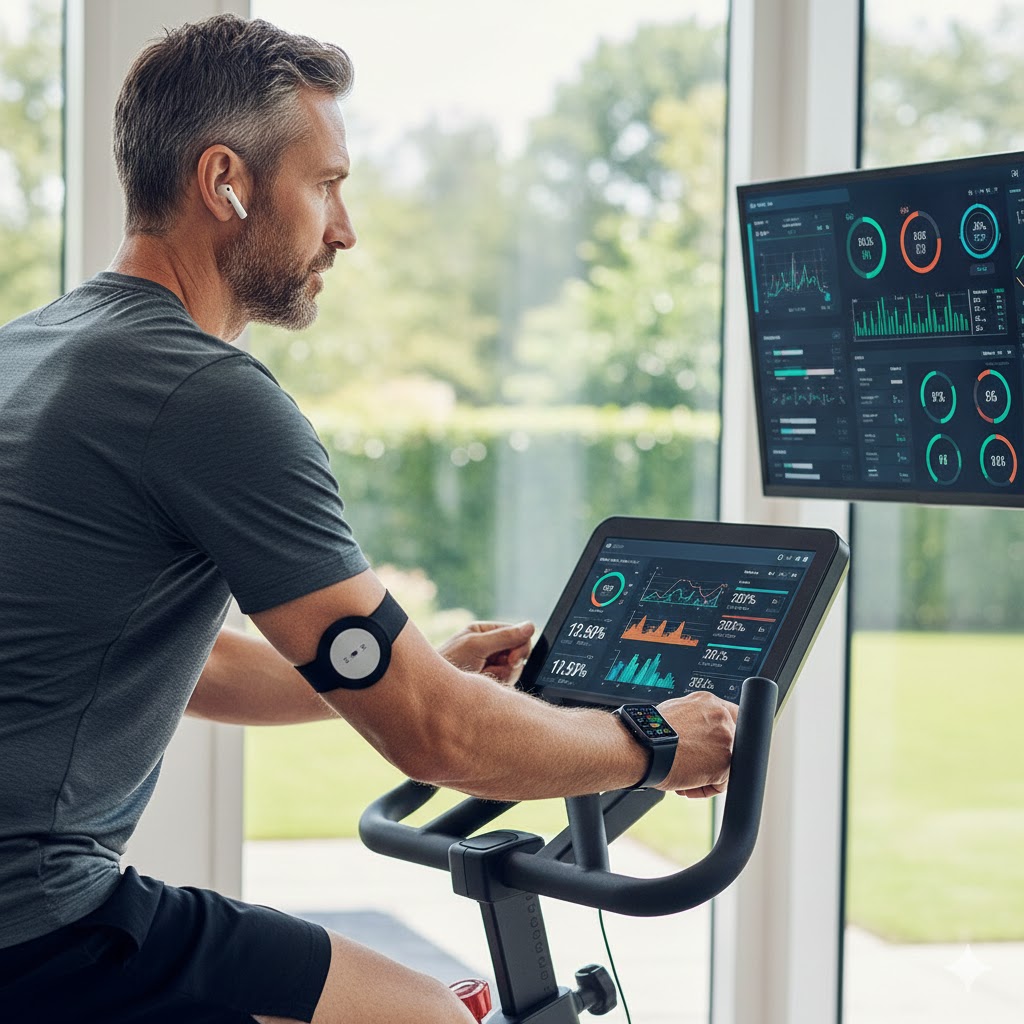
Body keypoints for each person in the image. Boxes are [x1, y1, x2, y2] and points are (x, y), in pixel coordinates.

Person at [0, 13, 738, 1024]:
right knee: (427, 1014)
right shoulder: (206, 397)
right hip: (36, 924)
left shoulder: (33, 347)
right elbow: (435, 736)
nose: (343, 230)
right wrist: (656, 738)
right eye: (327, 185)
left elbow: (177, 662)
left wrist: (420, 663)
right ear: (225, 180)